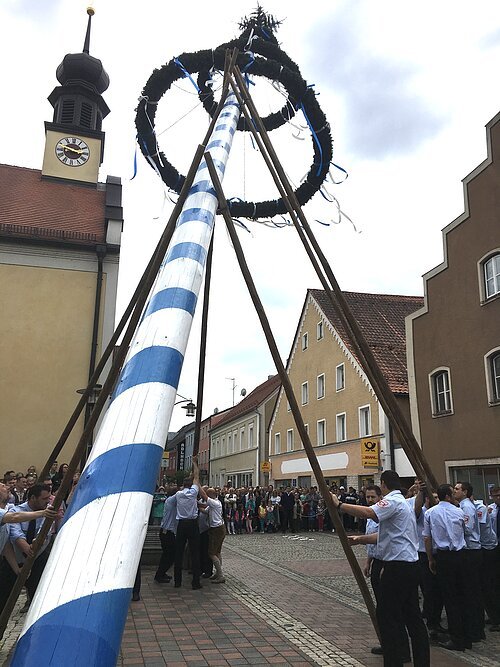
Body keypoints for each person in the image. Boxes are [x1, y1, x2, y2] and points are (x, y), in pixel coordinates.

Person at [334, 470, 429, 667]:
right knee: (412, 617)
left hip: (398, 568)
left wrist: (340, 505)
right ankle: (421, 661)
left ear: (384, 484)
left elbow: (369, 512)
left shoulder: (392, 501)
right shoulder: (403, 504)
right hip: (410, 565)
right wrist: (361, 540)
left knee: (388, 618)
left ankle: (394, 661)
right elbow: (387, 536)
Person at [423, 484, 469, 651]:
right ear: (449, 496)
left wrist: (430, 559)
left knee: (449, 598)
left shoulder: (430, 513)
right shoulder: (459, 512)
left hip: (443, 557)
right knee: (461, 595)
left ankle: (456, 638)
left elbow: (427, 538)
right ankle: (466, 635)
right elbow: (465, 531)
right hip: (460, 555)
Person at [0, 484, 57, 613]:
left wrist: (18, 569)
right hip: (20, 555)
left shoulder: (7, 510)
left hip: (33, 557)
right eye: (2, 486)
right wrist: (43, 513)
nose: (7, 487)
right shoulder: (10, 513)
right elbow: (15, 520)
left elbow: (5, 546)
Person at [453, 481, 485, 643]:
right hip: (471, 550)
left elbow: (468, 528)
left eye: (457, 489)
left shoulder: (465, 507)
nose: (455, 491)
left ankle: (474, 630)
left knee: (471, 592)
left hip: (470, 551)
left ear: (465, 492)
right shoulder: (464, 506)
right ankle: (476, 629)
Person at [173, 458, 202, 590]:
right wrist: (195, 463)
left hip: (181, 525)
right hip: (192, 524)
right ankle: (195, 582)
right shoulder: (194, 492)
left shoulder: (178, 494)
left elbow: (191, 480)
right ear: (191, 485)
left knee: (178, 552)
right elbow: (196, 476)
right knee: (195, 552)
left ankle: (177, 581)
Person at [198, 485, 226, 583]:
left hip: (216, 529)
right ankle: (218, 573)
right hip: (219, 528)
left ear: (211, 495)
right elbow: (205, 511)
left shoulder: (214, 503)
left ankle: (221, 575)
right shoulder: (214, 504)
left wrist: (197, 484)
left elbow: (204, 496)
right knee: (217, 552)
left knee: (211, 553)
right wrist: (197, 504)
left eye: (208, 494)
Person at [154, 487, 177, 583]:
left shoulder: (170, 502)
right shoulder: (170, 501)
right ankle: (159, 575)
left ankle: (161, 573)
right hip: (166, 532)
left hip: (167, 532)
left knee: (167, 555)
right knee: (169, 555)